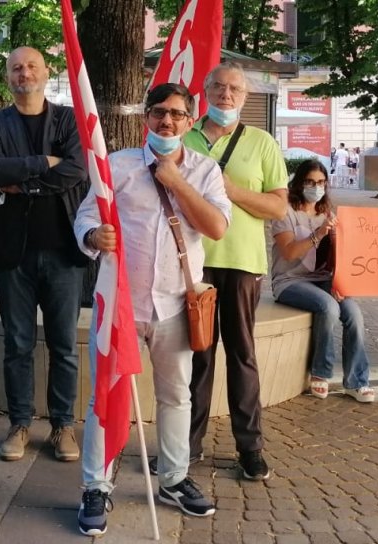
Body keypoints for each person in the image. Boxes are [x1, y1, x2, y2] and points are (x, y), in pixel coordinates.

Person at [74, 83, 231, 536]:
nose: (167, 121)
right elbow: (87, 215)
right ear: (146, 116)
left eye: (177, 114)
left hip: (176, 306)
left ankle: (174, 479)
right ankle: (95, 486)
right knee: (105, 397)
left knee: (176, 395)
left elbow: (217, 227)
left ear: (190, 120)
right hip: (121, 305)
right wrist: (92, 237)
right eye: (159, 112)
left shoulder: (205, 171)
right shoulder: (118, 166)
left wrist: (176, 181)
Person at [0, 46, 90, 463]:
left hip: (63, 249)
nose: (24, 73)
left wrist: (23, 181)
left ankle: (63, 425)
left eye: (31, 66)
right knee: (18, 344)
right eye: (16, 68)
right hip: (12, 254)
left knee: (63, 345)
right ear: (8, 77)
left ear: (47, 72)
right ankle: (20, 423)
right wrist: (45, 162)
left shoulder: (67, 120)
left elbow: (77, 168)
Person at [182, 62, 288, 481]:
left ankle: (250, 448)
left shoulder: (262, 143)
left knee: (242, 355)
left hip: (243, 263)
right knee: (196, 356)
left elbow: (278, 207)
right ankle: (186, 445)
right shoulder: (183, 137)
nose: (226, 95)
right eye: (219, 87)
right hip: (193, 261)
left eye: (235, 90)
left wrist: (230, 189)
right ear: (205, 90)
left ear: (246, 97)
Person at [270, 160, 374, 402]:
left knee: (354, 314)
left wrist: (340, 280)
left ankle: (356, 381)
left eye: (320, 183)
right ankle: (320, 373)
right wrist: (318, 234)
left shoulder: (327, 213)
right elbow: (289, 253)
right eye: (309, 182)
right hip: (290, 281)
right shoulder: (285, 212)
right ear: (299, 183)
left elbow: (341, 256)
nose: (315, 187)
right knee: (328, 307)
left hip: (323, 279)